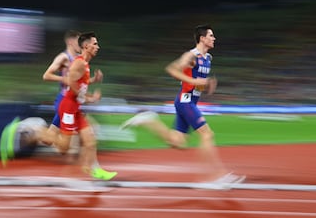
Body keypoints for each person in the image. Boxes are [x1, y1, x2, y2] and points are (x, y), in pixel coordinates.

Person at [121, 24, 245, 187]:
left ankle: (149, 120)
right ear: (202, 38)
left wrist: (205, 86)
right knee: (207, 134)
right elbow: (172, 69)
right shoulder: (191, 56)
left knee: (177, 141)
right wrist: (194, 81)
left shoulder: (208, 58)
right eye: (211, 35)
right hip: (185, 100)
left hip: (190, 101)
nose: (214, 38)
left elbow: (196, 82)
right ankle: (217, 176)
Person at [57, 31, 116, 180]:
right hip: (68, 108)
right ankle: (30, 131)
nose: (98, 47)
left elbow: (80, 82)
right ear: (86, 46)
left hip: (75, 108)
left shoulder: (86, 64)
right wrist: (89, 98)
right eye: (95, 44)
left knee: (90, 141)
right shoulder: (79, 62)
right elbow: (70, 81)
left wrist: (93, 80)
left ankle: (93, 170)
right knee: (63, 147)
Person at [41, 30, 103, 152]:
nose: (80, 44)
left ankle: (32, 133)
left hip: (73, 100)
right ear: (70, 41)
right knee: (88, 131)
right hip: (64, 100)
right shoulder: (63, 57)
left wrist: (93, 80)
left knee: (48, 140)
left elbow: (78, 83)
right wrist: (65, 79)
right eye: (77, 40)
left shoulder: (79, 60)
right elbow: (46, 76)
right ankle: (33, 132)